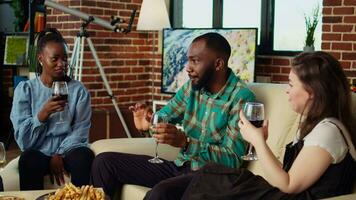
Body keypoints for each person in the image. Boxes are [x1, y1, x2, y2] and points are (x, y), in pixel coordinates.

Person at [148, 51, 356, 200]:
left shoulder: (328, 132)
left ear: (312, 92)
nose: (287, 91)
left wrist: (257, 140)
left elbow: (289, 185)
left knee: (210, 179)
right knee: (203, 178)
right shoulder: (313, 127)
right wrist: (261, 141)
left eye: (291, 85)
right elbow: (285, 176)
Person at [90, 32, 255, 197]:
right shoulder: (191, 88)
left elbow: (233, 159)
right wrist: (150, 123)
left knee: (159, 193)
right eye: (188, 60)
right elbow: (165, 116)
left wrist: (186, 142)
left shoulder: (240, 97)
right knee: (104, 163)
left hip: (211, 178)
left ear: (218, 64)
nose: (187, 67)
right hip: (180, 166)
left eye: (195, 61)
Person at [10, 28, 94, 190]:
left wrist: (60, 153)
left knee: (84, 156)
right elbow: (23, 141)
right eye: (54, 59)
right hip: (39, 151)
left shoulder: (78, 90)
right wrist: (43, 114)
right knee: (28, 159)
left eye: (64, 58)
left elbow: (80, 131)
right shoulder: (26, 90)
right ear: (41, 59)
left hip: (69, 149)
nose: (61, 64)